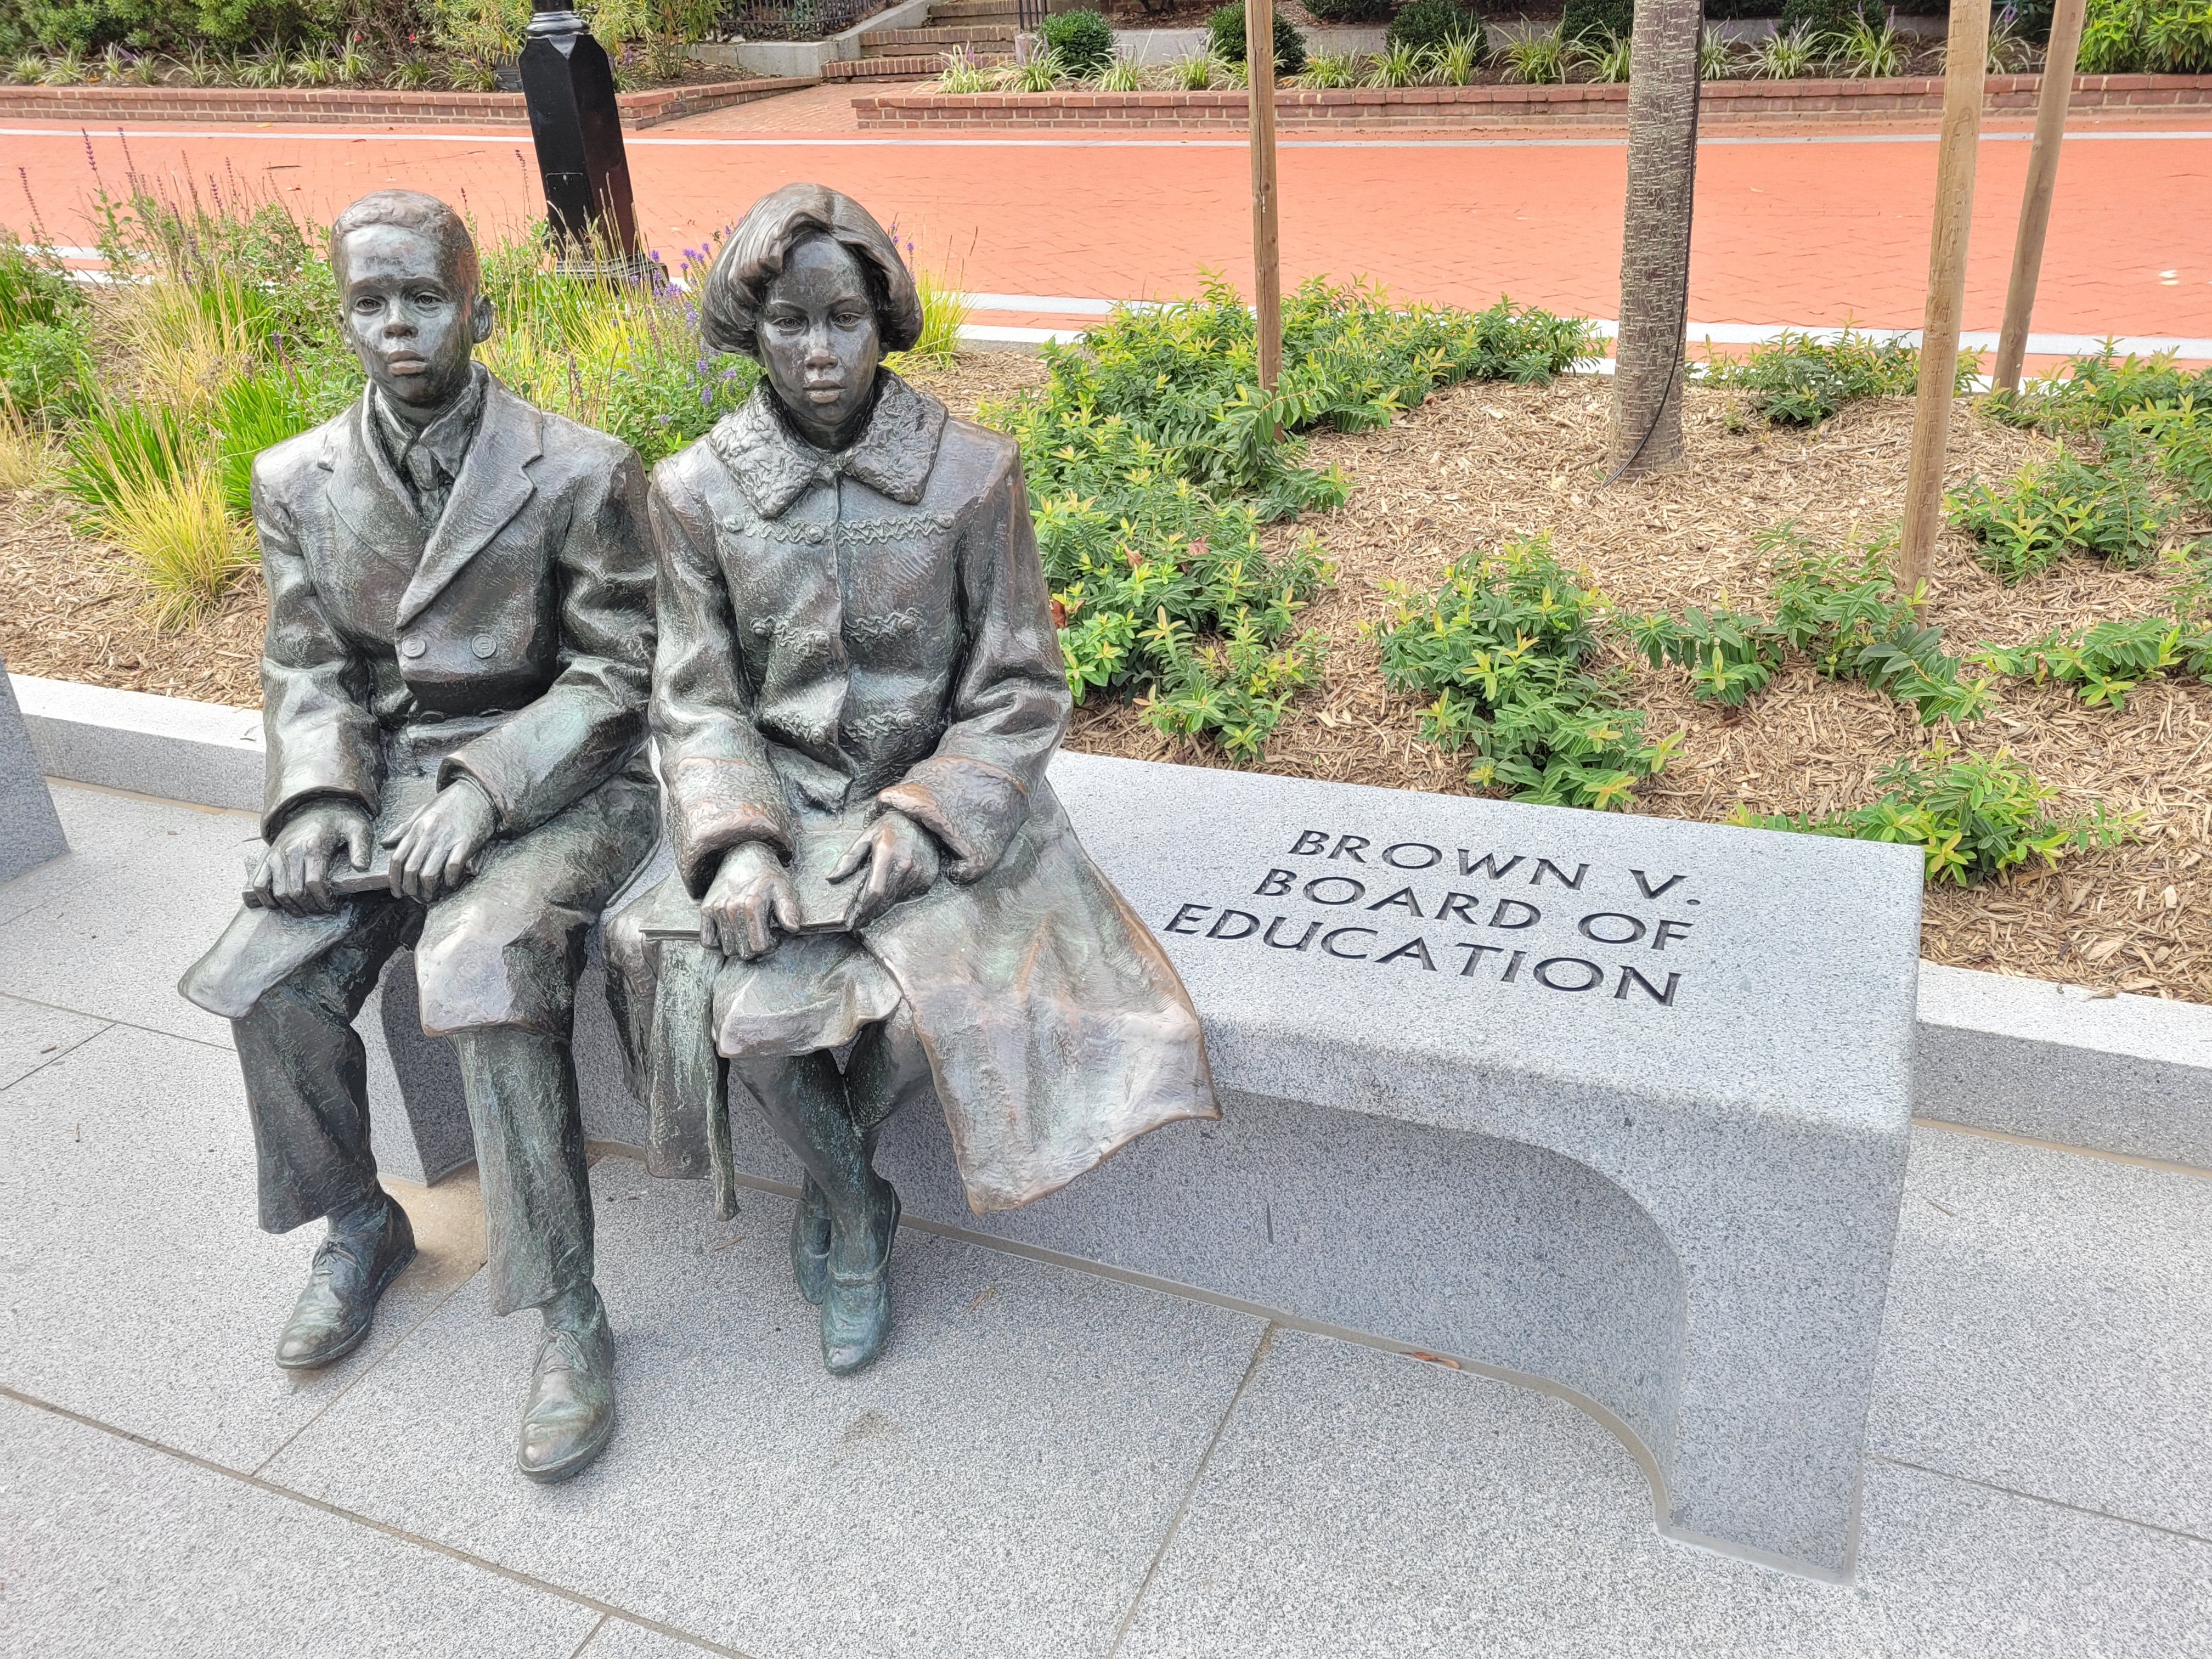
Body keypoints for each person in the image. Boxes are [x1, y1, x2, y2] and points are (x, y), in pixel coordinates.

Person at [605, 183, 1217, 1378]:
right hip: (780, 805)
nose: (819, 352)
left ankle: (844, 1212)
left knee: (952, 993)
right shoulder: (693, 493)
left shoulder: (973, 475)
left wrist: (931, 819)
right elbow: (695, 696)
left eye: (845, 319)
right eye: (789, 322)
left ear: (885, 318)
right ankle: (857, 1202)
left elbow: (1020, 685)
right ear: (748, 328)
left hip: (949, 802)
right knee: (753, 1020)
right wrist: (740, 841)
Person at [180, 190, 658, 1483]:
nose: (397, 326)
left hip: (556, 786)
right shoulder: (296, 480)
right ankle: (359, 1222)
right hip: (381, 787)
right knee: (263, 979)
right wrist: (319, 804)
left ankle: (569, 1312)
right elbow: (308, 670)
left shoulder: (581, 469)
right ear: (343, 320)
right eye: (369, 302)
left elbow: (618, 677)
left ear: (480, 312)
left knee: (483, 966)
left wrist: (486, 791)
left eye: (424, 299)